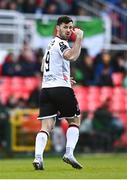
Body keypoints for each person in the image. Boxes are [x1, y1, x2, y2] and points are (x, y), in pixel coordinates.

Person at [33, 15, 84, 170]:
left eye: (70, 27)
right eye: (65, 27)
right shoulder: (61, 43)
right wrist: (79, 39)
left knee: (46, 126)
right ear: (58, 28)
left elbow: (43, 67)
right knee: (75, 121)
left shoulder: (50, 45)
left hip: (46, 89)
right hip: (60, 89)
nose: (68, 30)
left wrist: (65, 76)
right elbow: (72, 56)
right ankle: (68, 153)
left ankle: (38, 158)